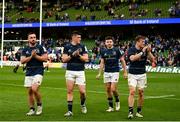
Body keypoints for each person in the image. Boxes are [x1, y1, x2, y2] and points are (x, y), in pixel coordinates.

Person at [96, 36, 128, 112]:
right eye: (107, 42)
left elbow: (122, 61)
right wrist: (99, 73)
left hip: (115, 71)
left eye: (110, 41)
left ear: (113, 42)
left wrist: (125, 72)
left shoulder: (117, 50)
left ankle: (117, 101)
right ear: (105, 43)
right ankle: (110, 107)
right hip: (106, 72)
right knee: (107, 89)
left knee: (113, 89)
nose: (109, 43)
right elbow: (102, 62)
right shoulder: (103, 51)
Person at [127, 35, 155, 119]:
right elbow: (132, 58)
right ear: (137, 42)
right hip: (132, 74)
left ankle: (138, 111)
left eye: (144, 42)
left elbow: (153, 60)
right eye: (142, 41)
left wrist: (149, 52)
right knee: (132, 91)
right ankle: (130, 112)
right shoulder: (131, 49)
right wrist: (142, 52)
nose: (144, 43)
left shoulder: (146, 50)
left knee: (141, 92)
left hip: (142, 74)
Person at [62, 31, 89, 117]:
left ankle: (83, 104)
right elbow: (64, 59)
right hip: (70, 71)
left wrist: (78, 56)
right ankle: (70, 111)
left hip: (80, 71)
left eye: (80, 37)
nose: (80, 39)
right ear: (73, 37)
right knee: (69, 91)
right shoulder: (67, 47)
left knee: (82, 92)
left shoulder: (82, 46)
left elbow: (86, 59)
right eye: (78, 37)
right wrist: (72, 55)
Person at [20, 32, 48, 116]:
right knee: (30, 92)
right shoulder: (25, 49)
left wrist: (35, 56)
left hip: (38, 70)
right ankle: (32, 109)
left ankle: (39, 105)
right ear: (28, 39)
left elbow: (45, 58)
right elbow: (22, 61)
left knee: (35, 89)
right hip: (29, 71)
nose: (33, 39)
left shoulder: (40, 47)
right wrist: (31, 56)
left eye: (34, 37)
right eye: (31, 37)